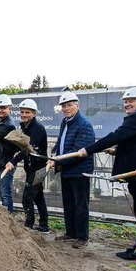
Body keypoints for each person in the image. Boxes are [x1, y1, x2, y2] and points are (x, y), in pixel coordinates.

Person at [78, 88, 136, 260]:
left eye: (131, 101)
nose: (127, 104)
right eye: (125, 101)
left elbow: (115, 136)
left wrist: (88, 150)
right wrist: (117, 151)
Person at [49, 92, 95, 249]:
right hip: (67, 169)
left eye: (69, 105)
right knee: (68, 203)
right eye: (63, 106)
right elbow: (61, 142)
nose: (66, 108)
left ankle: (82, 236)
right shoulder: (65, 122)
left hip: (80, 170)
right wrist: (54, 153)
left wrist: (57, 161)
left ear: (77, 105)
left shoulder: (84, 125)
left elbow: (78, 152)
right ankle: (71, 232)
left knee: (80, 204)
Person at [4, 98, 49, 232]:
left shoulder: (37, 129)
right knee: (39, 197)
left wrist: (13, 161)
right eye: (22, 112)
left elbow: (28, 149)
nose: (24, 115)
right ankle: (44, 225)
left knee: (27, 198)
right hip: (31, 168)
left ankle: (28, 226)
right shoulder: (25, 127)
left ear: (34, 113)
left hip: (38, 168)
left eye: (27, 112)